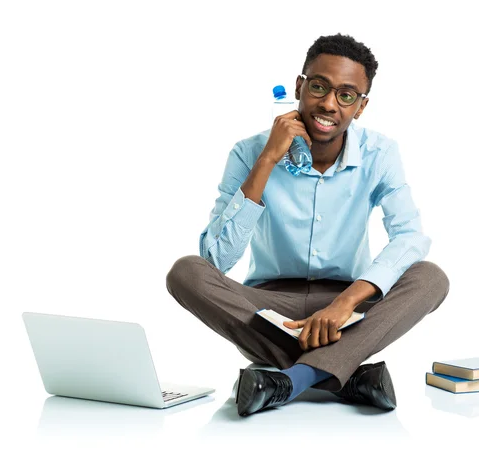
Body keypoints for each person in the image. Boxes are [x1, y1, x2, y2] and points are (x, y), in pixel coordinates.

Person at [166, 33, 450, 417]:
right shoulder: (249, 152)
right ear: (301, 86)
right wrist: (267, 160)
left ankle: (289, 380)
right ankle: (346, 373)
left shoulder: (379, 153)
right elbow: (215, 258)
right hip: (270, 311)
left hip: (348, 306)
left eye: (346, 95)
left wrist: (346, 302)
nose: (329, 104)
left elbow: (410, 236)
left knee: (430, 277)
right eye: (319, 87)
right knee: (186, 273)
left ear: (361, 107)